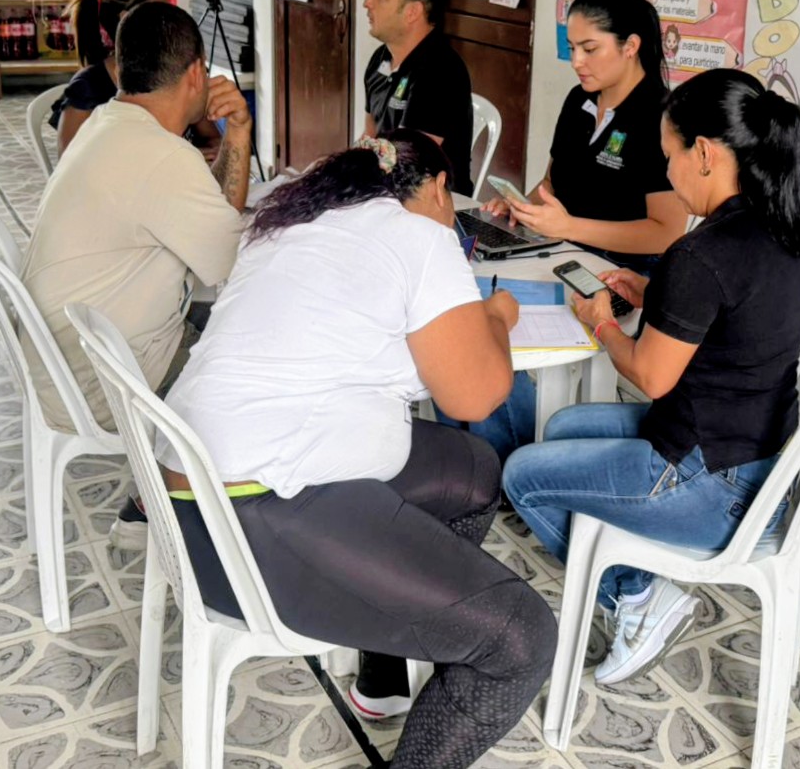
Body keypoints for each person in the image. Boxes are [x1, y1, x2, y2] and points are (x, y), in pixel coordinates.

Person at [161, 131, 556, 769]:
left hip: (188, 505)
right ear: (433, 190)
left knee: (473, 473)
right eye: (450, 202)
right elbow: (477, 397)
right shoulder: (423, 238)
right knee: (522, 640)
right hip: (249, 529)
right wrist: (496, 319)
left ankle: (382, 674)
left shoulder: (296, 218)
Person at [504, 68, 800, 686]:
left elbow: (649, 377)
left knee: (524, 477)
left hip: (713, 483)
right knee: (565, 422)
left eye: (670, 156)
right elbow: (738, 315)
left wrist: (601, 323)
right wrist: (654, 291)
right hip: (761, 456)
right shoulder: (789, 227)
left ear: (704, 153)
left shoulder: (701, 254)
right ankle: (637, 578)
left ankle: (637, 597)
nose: (668, 174)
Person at [21, 1, 252, 547]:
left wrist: (234, 134)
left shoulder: (110, 124)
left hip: (61, 354)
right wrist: (238, 132)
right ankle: (160, 504)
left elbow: (210, 216)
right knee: (246, 353)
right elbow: (228, 266)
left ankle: (156, 492)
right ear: (196, 73)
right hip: (95, 380)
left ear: (120, 70)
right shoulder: (159, 156)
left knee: (212, 323)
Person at [462, 0, 683, 464]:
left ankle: (519, 456)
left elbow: (667, 232)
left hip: (620, 273)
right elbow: (551, 183)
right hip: (557, 248)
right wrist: (523, 207)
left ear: (630, 46)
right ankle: (501, 449)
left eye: (590, 49)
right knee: (464, 302)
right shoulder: (578, 102)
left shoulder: (659, 118)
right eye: (573, 49)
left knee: (487, 324)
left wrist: (569, 227)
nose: (578, 62)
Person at [51, 0, 221, 158]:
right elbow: (71, 165)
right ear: (127, 20)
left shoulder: (175, 69)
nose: (169, 21)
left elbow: (214, 139)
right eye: (158, 14)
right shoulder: (88, 87)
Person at [363, 0, 474, 195]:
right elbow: (368, 139)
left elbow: (410, 167)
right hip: (385, 192)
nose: (367, 2)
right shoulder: (379, 59)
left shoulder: (441, 71)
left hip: (428, 204)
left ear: (412, 12)